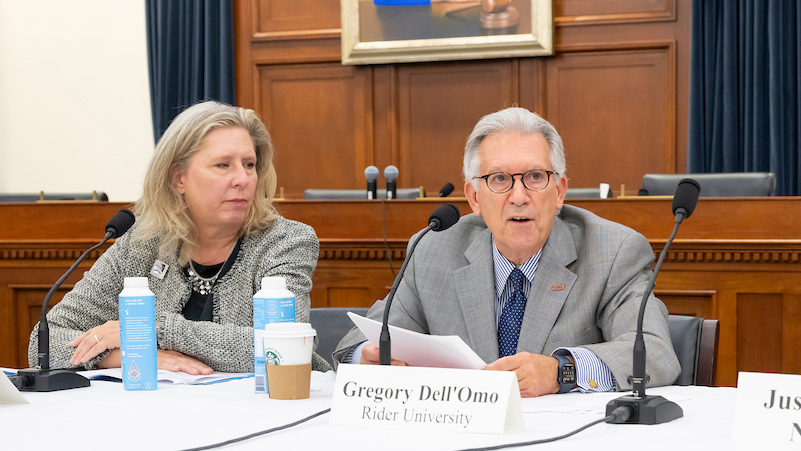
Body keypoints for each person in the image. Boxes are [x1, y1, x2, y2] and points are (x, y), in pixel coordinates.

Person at [333, 107, 680, 397]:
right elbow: (355, 343)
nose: (518, 196)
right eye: (499, 179)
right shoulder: (433, 250)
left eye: (534, 176)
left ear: (558, 192)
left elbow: (655, 353)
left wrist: (562, 371)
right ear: (473, 198)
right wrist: (365, 358)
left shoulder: (612, 252)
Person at [28, 101, 331, 374]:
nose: (242, 179)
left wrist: (150, 331)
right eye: (223, 165)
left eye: (249, 165)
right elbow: (45, 340)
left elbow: (284, 346)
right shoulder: (142, 243)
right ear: (179, 178)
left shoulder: (287, 241)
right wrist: (137, 355)